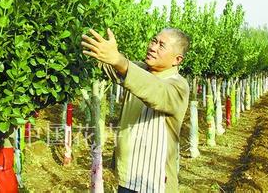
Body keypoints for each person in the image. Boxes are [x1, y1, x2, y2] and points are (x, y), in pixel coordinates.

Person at [81, 27, 190, 193]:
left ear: (177, 60)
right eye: (154, 41)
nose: (152, 47)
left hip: (154, 182)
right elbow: (112, 66)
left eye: (161, 45)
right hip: (128, 177)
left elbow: (156, 92)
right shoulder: (139, 70)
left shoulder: (178, 86)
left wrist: (119, 61)